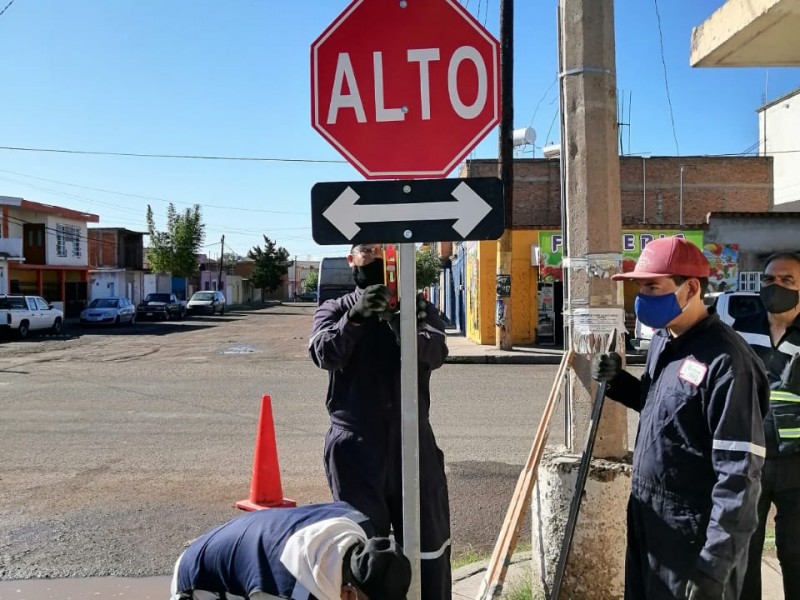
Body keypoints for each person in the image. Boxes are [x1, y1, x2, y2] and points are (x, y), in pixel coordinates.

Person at [591, 236, 769, 600]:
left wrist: (714, 566)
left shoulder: (727, 363)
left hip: (693, 534)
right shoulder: (664, 339)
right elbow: (670, 413)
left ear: (690, 288)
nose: (642, 299)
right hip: (649, 520)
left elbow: (740, 474)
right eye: (640, 287)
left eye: (653, 287)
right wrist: (620, 384)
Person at [308, 243, 451, 600]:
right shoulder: (335, 309)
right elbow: (324, 354)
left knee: (428, 543)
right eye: (366, 251)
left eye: (382, 251)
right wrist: (355, 318)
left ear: (398, 259)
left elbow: (436, 353)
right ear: (351, 260)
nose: (374, 258)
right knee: (364, 553)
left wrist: (403, 324)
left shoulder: (419, 309)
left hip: (413, 444)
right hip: (355, 447)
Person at [170, 501, 411, 600]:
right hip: (199, 579)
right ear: (348, 596)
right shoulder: (282, 591)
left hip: (254, 542)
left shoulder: (359, 528)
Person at [733, 252, 800, 600]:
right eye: (770, 280)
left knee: (796, 554)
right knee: (743, 554)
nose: (777, 286)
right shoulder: (742, 329)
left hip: (797, 465)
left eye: (787, 280)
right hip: (750, 461)